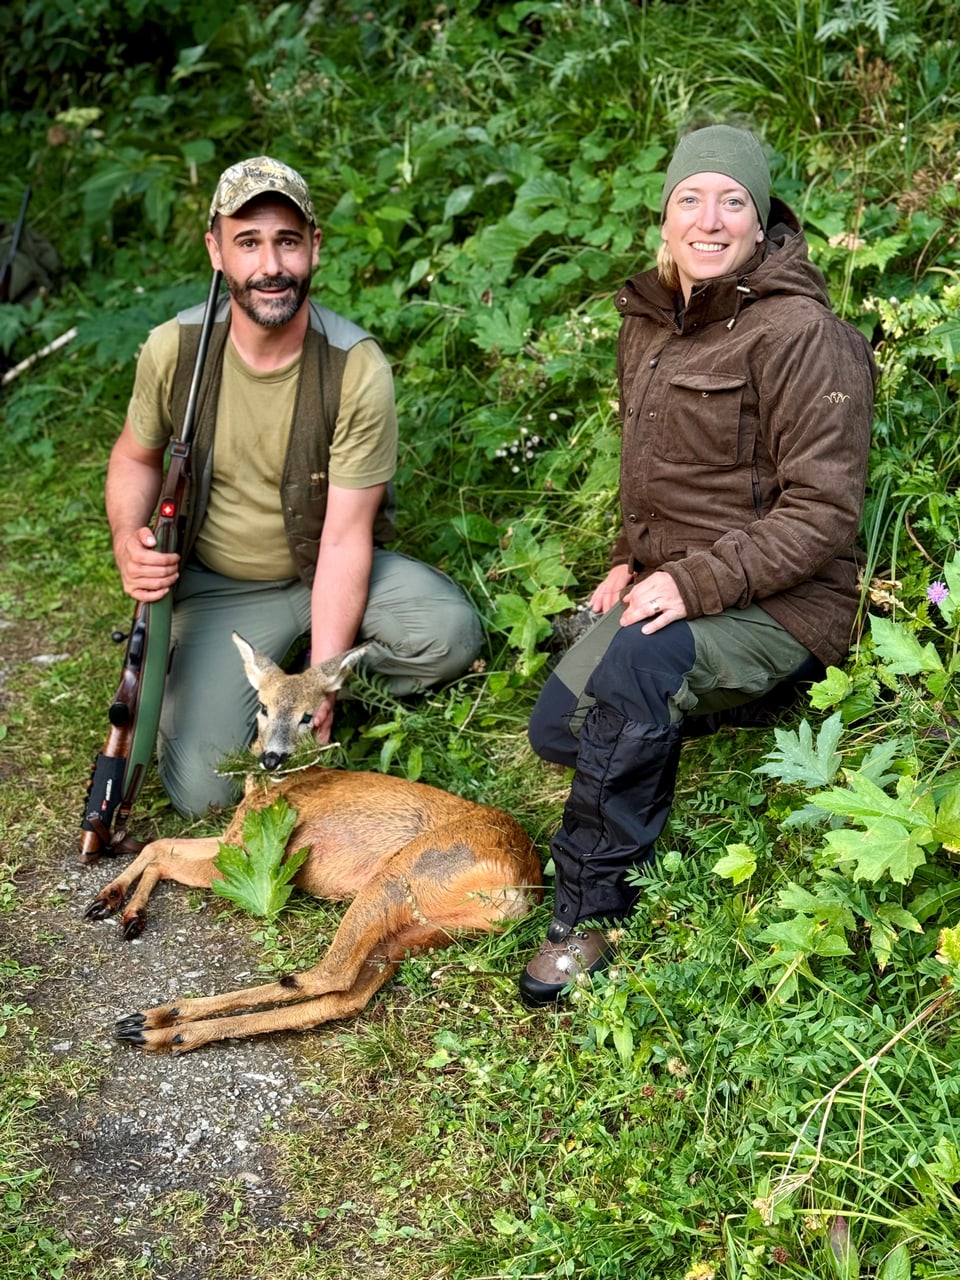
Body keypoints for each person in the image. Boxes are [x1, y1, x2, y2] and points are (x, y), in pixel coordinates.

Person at [520, 125, 877, 1007]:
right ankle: (693, 710)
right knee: (559, 732)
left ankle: (589, 914)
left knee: (636, 673)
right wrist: (626, 560)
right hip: (675, 584)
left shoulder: (805, 335)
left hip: (785, 601)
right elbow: (651, 472)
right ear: (666, 216)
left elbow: (824, 514)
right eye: (691, 199)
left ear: (762, 226)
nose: (709, 220)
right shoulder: (649, 323)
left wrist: (689, 585)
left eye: (733, 203)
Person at [106, 156, 482, 817]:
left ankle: (306, 695)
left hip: (322, 570)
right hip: (219, 585)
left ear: (314, 247)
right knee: (207, 791)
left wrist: (323, 676)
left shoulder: (354, 366)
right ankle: (256, 692)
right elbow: (136, 458)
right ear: (216, 251)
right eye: (248, 242)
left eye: (286, 240)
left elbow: (343, 539)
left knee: (448, 634)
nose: (270, 265)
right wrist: (127, 542)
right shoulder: (175, 349)